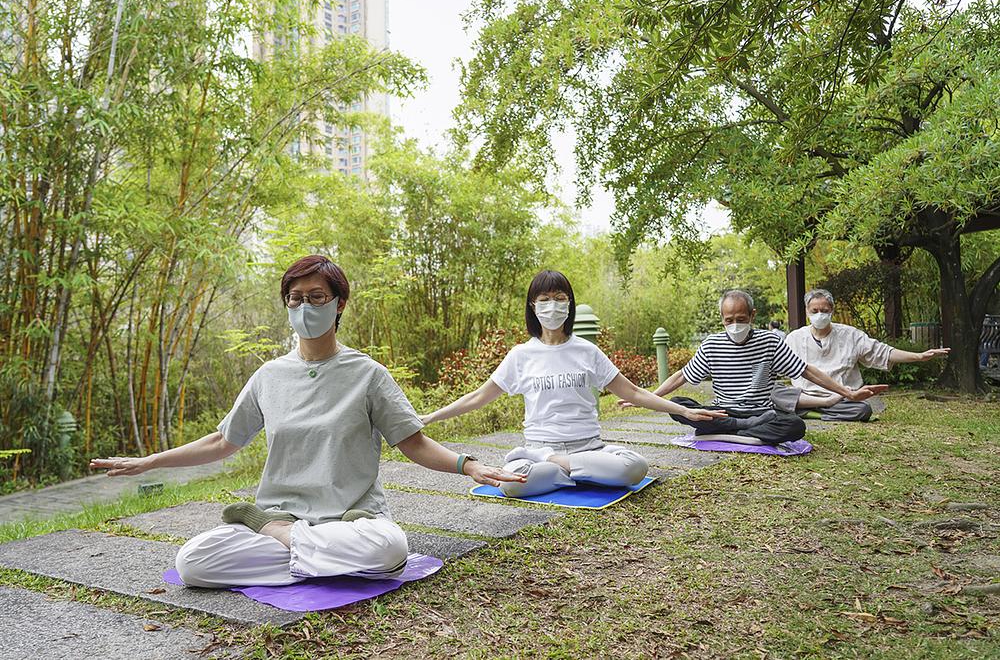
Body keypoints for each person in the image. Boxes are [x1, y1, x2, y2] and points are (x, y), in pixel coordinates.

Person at [90, 255, 523, 588]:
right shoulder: (269, 376)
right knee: (194, 561)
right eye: (295, 298)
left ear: (339, 304)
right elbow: (222, 442)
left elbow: (413, 443)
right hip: (283, 513)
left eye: (316, 297)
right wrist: (149, 462)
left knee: (390, 549)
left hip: (352, 520)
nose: (304, 305)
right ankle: (301, 546)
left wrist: (469, 465)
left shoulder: (367, 374)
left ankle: (286, 541)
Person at [420, 270, 728, 498]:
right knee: (509, 485)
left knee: (634, 467)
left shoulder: (587, 351)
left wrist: (685, 412)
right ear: (533, 306)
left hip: (589, 446)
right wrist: (432, 417)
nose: (552, 306)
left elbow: (631, 391)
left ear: (570, 304)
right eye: (545, 300)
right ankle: (574, 469)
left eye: (560, 299)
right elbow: (478, 397)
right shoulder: (521, 355)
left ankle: (557, 467)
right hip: (542, 446)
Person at [627, 290, 887, 444]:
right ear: (722, 320)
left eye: (741, 318)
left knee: (795, 426)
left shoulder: (770, 341)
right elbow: (682, 376)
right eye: (729, 320)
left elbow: (805, 370)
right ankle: (742, 429)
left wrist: (848, 393)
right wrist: (646, 398)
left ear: (752, 316)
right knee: (681, 405)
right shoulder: (712, 344)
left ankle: (731, 431)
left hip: (762, 412)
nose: (735, 324)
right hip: (724, 411)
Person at [772, 288, 950, 421]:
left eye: (825, 311)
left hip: (842, 398)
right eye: (815, 311)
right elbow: (776, 366)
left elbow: (882, 352)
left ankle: (809, 411)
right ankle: (816, 408)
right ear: (807, 312)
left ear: (832, 310)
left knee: (863, 409)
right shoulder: (794, 337)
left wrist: (919, 356)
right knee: (774, 393)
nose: (820, 315)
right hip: (805, 396)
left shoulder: (850, 335)